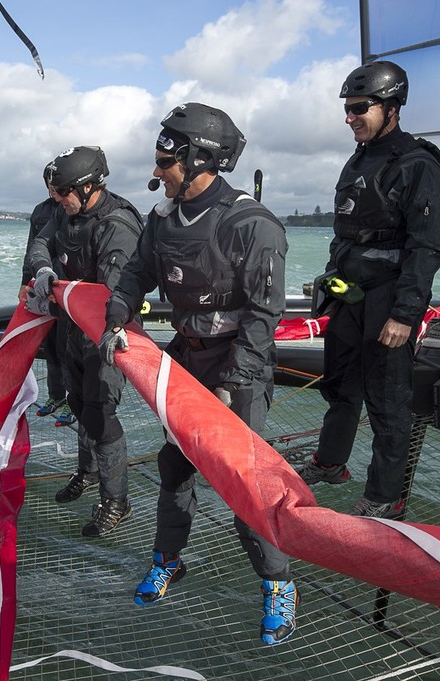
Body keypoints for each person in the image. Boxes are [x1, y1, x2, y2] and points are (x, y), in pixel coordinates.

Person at [99, 103, 297, 645]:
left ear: (201, 159)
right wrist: (118, 311)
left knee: (243, 483)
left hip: (237, 368)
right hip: (184, 359)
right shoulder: (162, 219)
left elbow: (263, 315)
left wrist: (234, 383)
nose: (158, 170)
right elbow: (137, 273)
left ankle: (278, 582)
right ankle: (169, 558)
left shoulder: (251, 225)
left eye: (167, 160)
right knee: (175, 467)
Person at [294, 61, 440, 519]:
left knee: (387, 400)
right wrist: (329, 279)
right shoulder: (360, 157)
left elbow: (428, 246)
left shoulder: (418, 164)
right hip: (349, 295)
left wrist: (405, 314)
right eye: (347, 109)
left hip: (387, 298)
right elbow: (347, 230)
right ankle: (331, 463)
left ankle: (384, 496)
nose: (350, 117)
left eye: (359, 108)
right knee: (340, 386)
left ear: (391, 106)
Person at [26, 146, 143, 537]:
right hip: (71, 326)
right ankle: (88, 471)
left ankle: (116, 501)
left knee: (101, 413)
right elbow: (41, 242)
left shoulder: (117, 225)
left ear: (89, 186)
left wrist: (111, 329)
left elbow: (120, 291)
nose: (56, 200)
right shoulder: (64, 210)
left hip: (107, 333)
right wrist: (43, 269)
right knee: (77, 404)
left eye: (62, 193)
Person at [19, 177, 74, 426]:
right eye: (50, 186)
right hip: (43, 285)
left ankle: (73, 402)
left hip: (66, 289)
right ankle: (55, 396)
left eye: (57, 186)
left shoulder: (71, 207)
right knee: (50, 346)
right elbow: (33, 246)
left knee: (68, 347)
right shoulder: (41, 211)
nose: (54, 191)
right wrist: (25, 280)